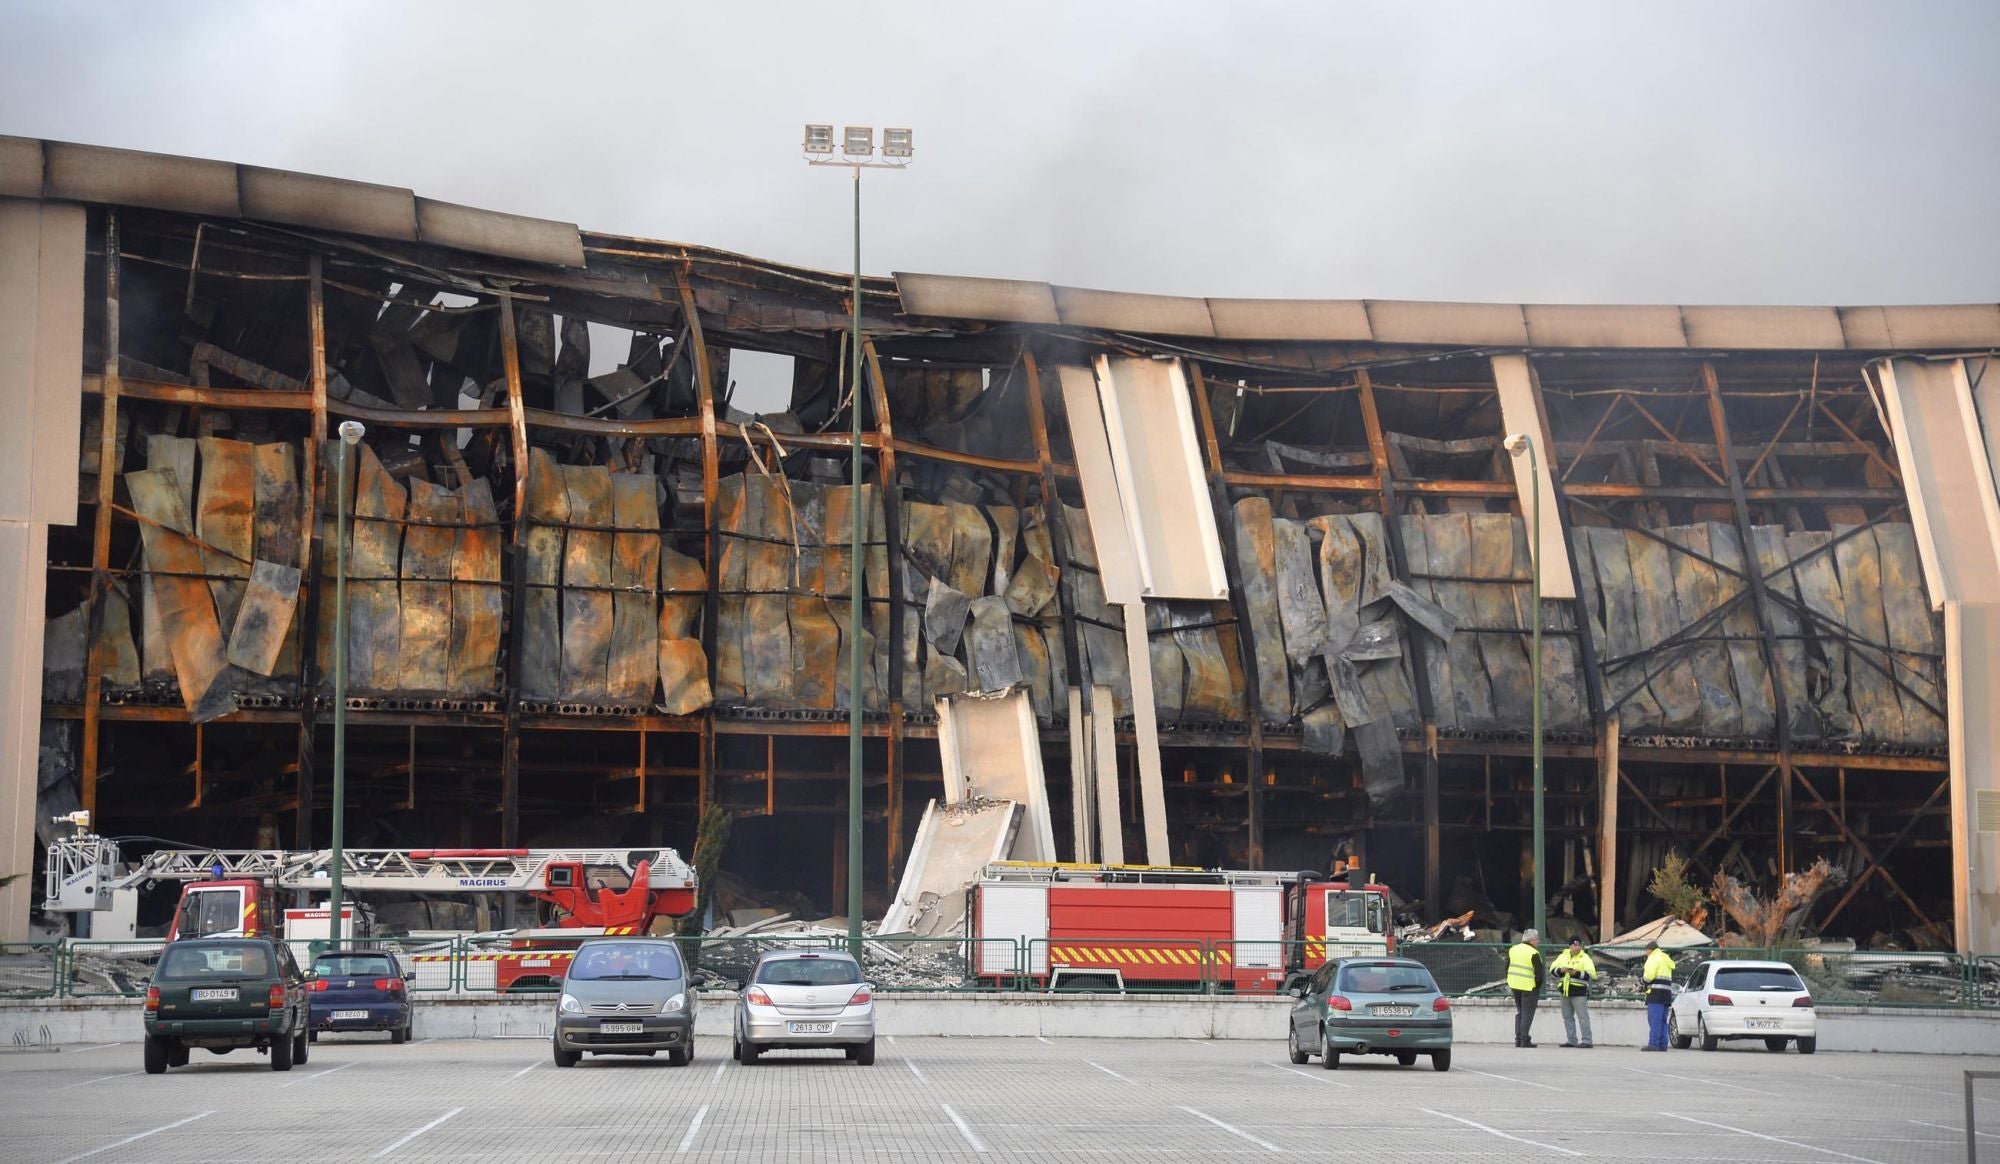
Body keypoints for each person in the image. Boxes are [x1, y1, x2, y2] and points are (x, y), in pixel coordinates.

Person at [1550, 938, 1597, 1048]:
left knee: (1583, 1017)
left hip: (1579, 992)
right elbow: (1552, 969)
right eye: (1574, 945)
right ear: (1569, 946)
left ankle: (1587, 1041)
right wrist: (1561, 970)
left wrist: (1576, 973)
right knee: (1567, 1017)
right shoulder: (1562, 957)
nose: (1577, 947)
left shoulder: (1585, 958)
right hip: (1565, 992)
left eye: (1578, 945)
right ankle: (1571, 1040)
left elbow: (1591, 974)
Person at [1506, 928, 1545, 1048]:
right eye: (1537, 939)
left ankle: (1518, 1039)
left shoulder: (1513, 949)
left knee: (1520, 1012)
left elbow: (1507, 966)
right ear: (1532, 940)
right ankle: (1525, 1039)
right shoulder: (1533, 953)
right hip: (1529, 986)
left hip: (1514, 984)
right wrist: (1537, 986)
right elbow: (1539, 973)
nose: (1538, 941)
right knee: (1527, 1014)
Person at [1641, 939, 1677, 1051]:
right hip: (1666, 994)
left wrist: (1642, 982)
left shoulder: (1653, 958)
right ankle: (1663, 1044)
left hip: (1655, 994)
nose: (1645, 953)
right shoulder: (1665, 958)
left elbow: (1649, 976)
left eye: (1646, 951)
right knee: (1662, 1021)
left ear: (1650, 950)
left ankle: (1653, 1044)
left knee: (1654, 1020)